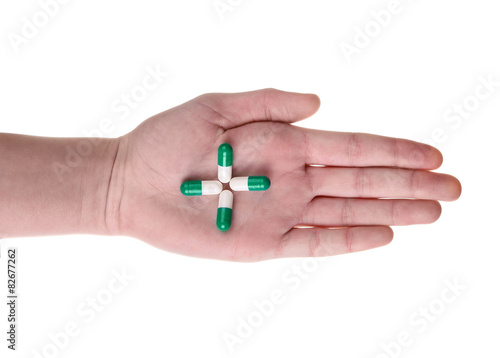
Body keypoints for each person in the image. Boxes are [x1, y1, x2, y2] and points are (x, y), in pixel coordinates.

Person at [0, 89, 461, 261]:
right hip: (220, 186)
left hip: (222, 186)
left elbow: (229, 181)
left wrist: (115, 180)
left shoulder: (229, 180)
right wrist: (116, 183)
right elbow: (225, 182)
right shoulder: (223, 181)